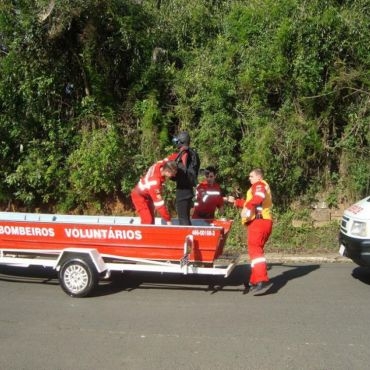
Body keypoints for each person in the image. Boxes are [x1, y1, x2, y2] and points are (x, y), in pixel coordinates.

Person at [225, 168, 273, 295]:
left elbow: (258, 198)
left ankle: (261, 279)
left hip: (259, 222)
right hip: (262, 222)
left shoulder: (259, 185)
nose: (249, 178)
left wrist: (247, 209)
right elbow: (252, 201)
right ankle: (254, 280)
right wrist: (235, 202)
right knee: (255, 252)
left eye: (251, 176)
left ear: (258, 177)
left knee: (255, 251)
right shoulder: (257, 187)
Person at [166, 131, 200, 225]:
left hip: (183, 190)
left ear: (181, 141)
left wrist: (173, 174)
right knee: (185, 216)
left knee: (183, 217)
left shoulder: (184, 152)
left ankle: (187, 237)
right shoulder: (193, 153)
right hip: (188, 189)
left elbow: (182, 171)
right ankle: (188, 236)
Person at [131, 160, 178, 224]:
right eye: (173, 173)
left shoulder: (160, 164)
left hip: (148, 194)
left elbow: (168, 158)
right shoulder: (155, 183)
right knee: (148, 220)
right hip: (139, 196)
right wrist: (168, 220)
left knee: (152, 221)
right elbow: (159, 205)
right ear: (167, 171)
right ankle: (144, 233)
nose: (174, 176)